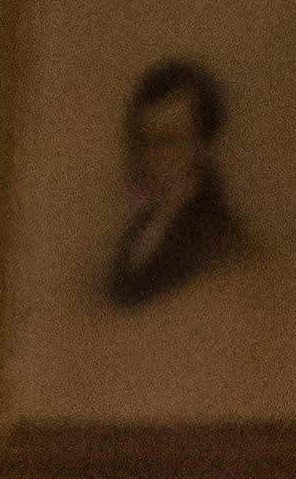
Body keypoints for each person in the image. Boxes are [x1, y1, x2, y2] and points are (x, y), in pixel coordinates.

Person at [105, 55, 258, 308]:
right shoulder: (138, 231)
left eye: (167, 141)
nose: (149, 157)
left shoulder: (221, 245)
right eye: (143, 140)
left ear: (203, 147)